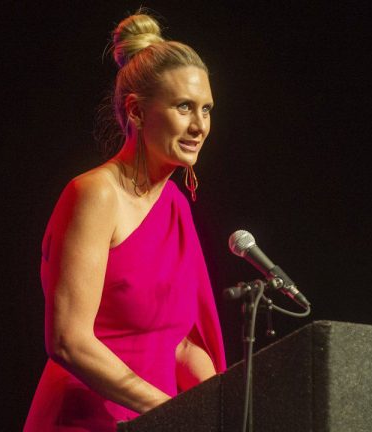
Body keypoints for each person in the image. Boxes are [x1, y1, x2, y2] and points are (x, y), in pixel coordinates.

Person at [24, 11, 226, 432]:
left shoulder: (175, 205)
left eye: (206, 109)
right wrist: (172, 412)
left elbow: (181, 343)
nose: (199, 125)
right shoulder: (94, 195)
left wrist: (223, 409)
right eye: (184, 107)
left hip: (157, 418)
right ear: (135, 110)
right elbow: (67, 340)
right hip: (86, 418)